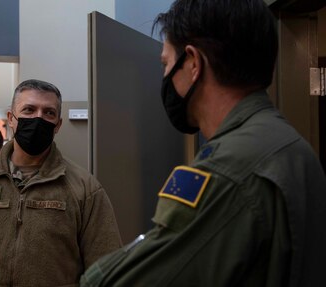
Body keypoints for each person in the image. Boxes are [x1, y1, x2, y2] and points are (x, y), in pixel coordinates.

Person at [81, 0, 326, 286]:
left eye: (166, 63)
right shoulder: (291, 145)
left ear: (194, 63)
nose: (164, 76)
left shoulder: (228, 170)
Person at [0, 79, 122, 286]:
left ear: (58, 125)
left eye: (49, 113)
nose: (39, 118)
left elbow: (106, 268)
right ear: (11, 118)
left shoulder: (85, 189)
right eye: (29, 110)